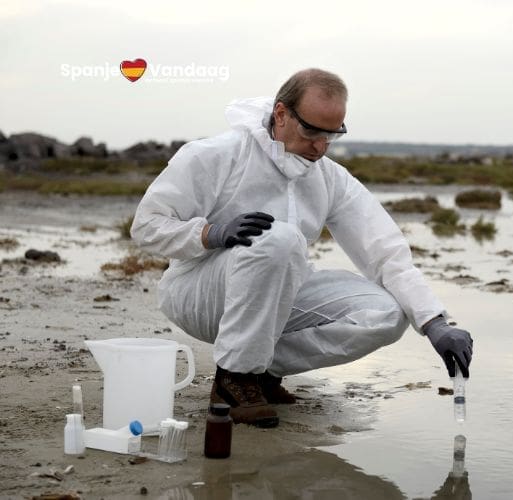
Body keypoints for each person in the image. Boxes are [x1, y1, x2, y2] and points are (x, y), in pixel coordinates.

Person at [131, 68, 473, 428]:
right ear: (281, 114)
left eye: (332, 135)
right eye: (312, 131)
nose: (320, 147)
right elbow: (147, 225)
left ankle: (259, 371)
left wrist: (434, 322)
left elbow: (384, 250)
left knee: (386, 315)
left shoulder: (330, 177)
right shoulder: (216, 155)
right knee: (280, 238)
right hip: (199, 293)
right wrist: (210, 234)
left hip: (279, 296)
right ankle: (235, 378)